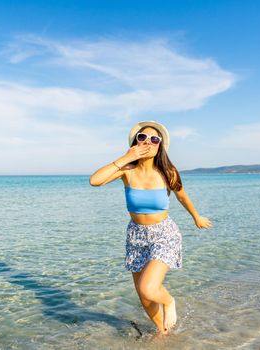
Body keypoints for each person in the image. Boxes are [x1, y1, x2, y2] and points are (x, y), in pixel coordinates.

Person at [89, 120, 213, 335]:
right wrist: (127, 157)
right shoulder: (127, 170)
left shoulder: (168, 172)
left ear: (160, 146)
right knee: (144, 297)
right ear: (135, 142)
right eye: (142, 137)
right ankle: (162, 333)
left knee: (149, 287)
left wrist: (196, 217)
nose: (148, 141)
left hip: (164, 233)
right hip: (136, 236)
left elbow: (182, 196)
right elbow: (95, 181)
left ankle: (169, 301)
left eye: (154, 139)